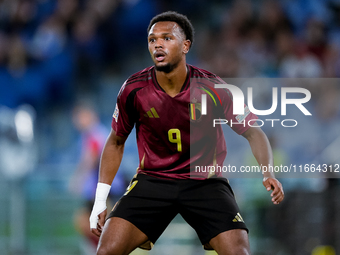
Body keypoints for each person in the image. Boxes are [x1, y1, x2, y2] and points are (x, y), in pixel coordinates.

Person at [89, 11, 284, 255]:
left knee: (239, 253)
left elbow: (253, 133)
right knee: (106, 252)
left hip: (205, 182)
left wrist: (268, 172)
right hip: (153, 180)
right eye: (152, 39)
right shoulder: (133, 90)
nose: (158, 44)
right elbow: (116, 141)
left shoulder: (214, 87)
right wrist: (99, 200)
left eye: (167, 38)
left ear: (186, 45)